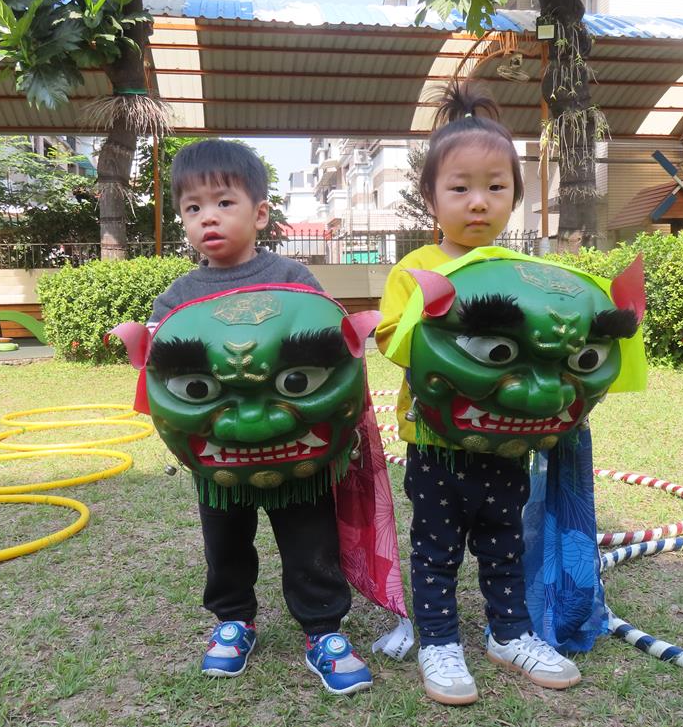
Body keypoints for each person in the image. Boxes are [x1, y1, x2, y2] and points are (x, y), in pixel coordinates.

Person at [375, 82, 581, 705]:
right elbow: (390, 339)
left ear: (515, 196)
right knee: (436, 548)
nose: (478, 202)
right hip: (436, 441)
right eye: (460, 187)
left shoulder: (526, 277)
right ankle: (439, 642)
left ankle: (509, 634)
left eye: (496, 187)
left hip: (506, 442)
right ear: (430, 197)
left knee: (503, 541)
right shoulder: (415, 269)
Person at [148, 139, 373, 694]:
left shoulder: (294, 278)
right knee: (224, 543)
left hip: (297, 449)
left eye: (224, 202)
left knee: (310, 540)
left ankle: (323, 628)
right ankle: (233, 620)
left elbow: (330, 349)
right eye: (193, 208)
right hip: (220, 458)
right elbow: (161, 368)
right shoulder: (177, 297)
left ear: (261, 213)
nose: (208, 218)